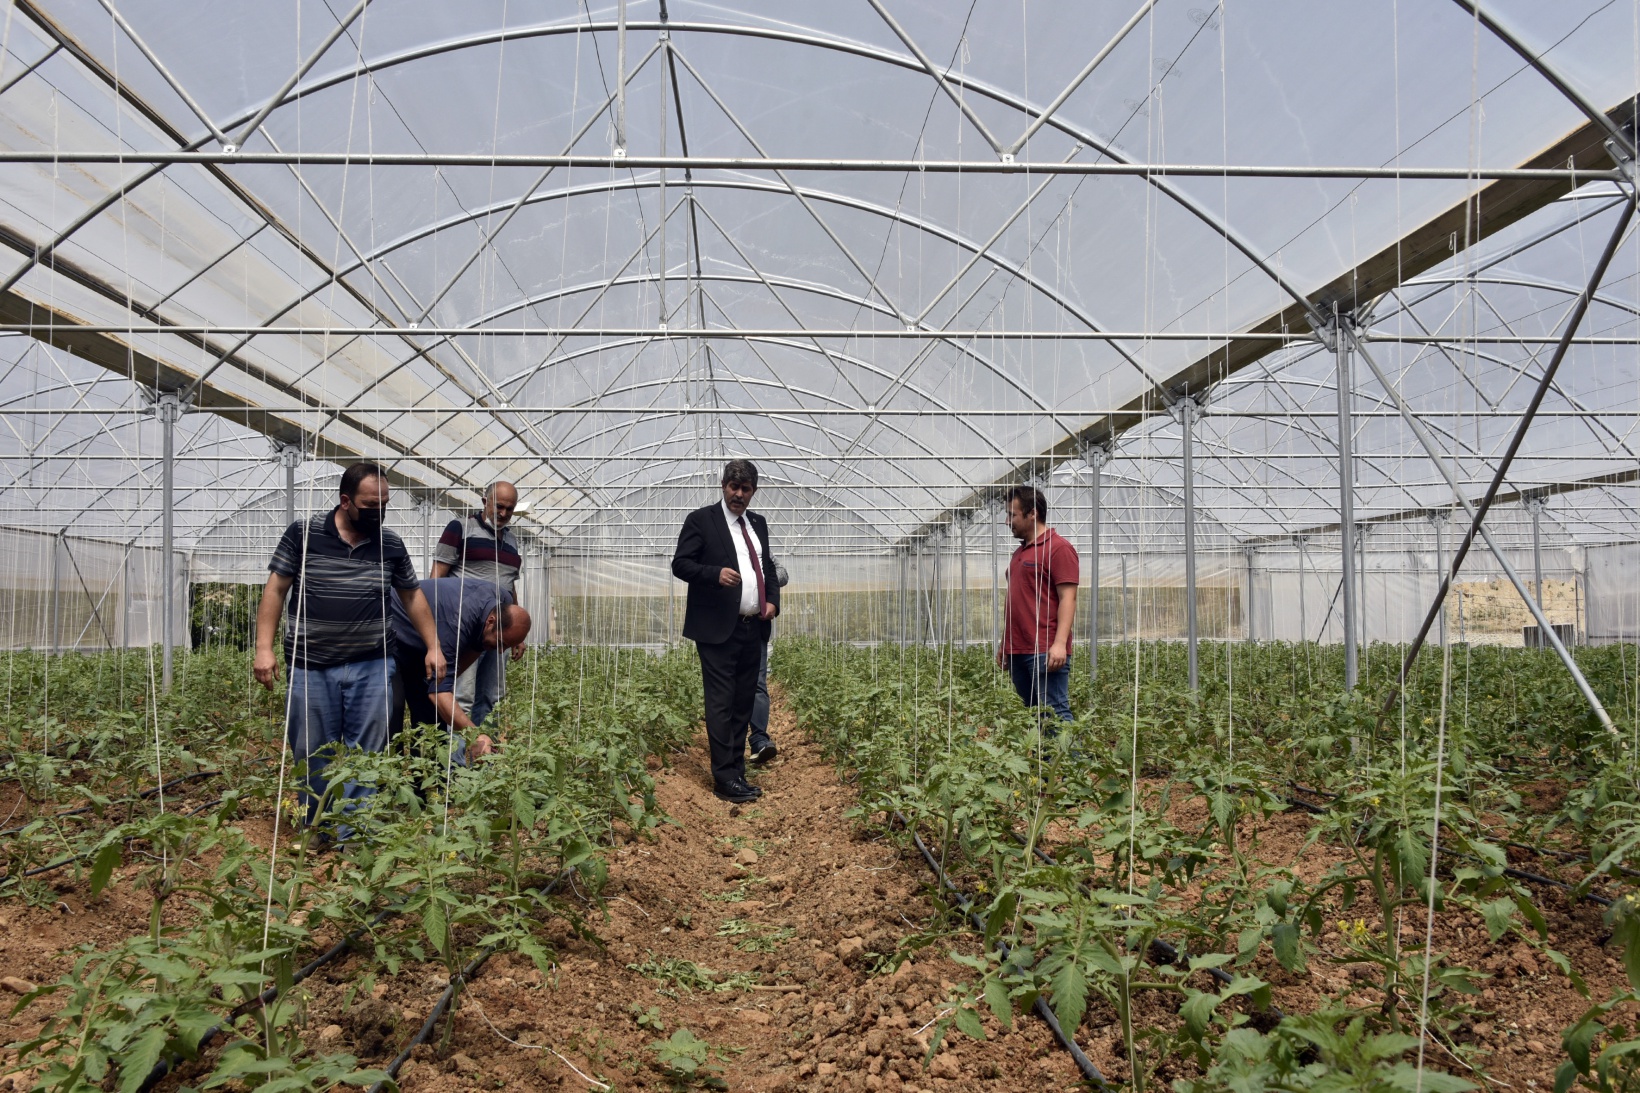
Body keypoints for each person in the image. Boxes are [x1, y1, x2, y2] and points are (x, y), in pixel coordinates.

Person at [253, 462, 446, 835]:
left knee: (368, 755)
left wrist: (433, 646)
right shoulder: (303, 534)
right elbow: (276, 589)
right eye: (370, 505)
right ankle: (317, 831)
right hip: (311, 665)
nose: (379, 512)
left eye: (385, 504)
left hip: (373, 665)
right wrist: (264, 648)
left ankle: (356, 835)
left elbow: (412, 596)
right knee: (311, 753)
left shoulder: (389, 544)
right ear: (345, 501)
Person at [671, 459, 781, 804]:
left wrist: (773, 601)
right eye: (733, 487)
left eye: (745, 489)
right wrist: (714, 573)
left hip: (753, 627)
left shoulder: (758, 524)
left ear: (754, 491)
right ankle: (723, 778)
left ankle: (737, 771)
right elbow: (681, 564)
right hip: (718, 629)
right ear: (723, 486)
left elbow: (767, 567)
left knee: (743, 701)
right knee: (721, 703)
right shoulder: (701, 520)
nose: (738, 494)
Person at [387, 576, 532, 765]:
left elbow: (476, 646)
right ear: (490, 621)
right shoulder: (455, 626)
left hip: (429, 639)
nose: (500, 650)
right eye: (500, 643)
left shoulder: (502, 598)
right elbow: (440, 692)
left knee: (431, 717)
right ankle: (390, 776)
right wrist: (475, 735)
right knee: (393, 710)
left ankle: (428, 781)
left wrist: (515, 639)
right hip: (396, 634)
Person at [431, 481, 522, 729]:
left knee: (492, 697)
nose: (503, 514)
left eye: (510, 509)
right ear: (485, 502)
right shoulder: (460, 529)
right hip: (465, 628)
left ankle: (485, 757)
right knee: (463, 695)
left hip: (500, 630)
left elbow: (509, 587)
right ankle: (457, 760)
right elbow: (436, 578)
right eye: (499, 506)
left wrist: (517, 634)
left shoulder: (512, 542)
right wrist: (434, 629)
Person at [998, 484, 1079, 725]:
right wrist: (1005, 643)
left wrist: (1059, 644)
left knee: (1055, 713)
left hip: (1044, 650)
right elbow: (1015, 601)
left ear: (1032, 513)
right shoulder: (1019, 553)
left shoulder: (1059, 548)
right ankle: (1047, 761)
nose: (1007, 521)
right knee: (1034, 716)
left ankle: (1069, 763)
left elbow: (1068, 598)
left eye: (1012, 515)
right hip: (1018, 650)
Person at [746, 560, 790, 764]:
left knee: (757, 684)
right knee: (728, 687)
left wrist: (758, 578)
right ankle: (730, 745)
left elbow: (782, 574)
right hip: (724, 627)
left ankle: (759, 740)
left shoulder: (760, 544)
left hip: (756, 625)